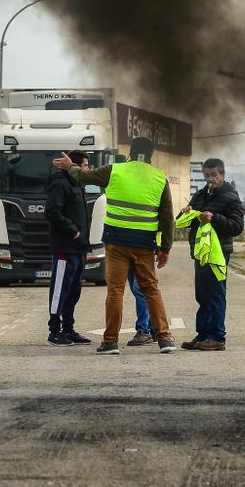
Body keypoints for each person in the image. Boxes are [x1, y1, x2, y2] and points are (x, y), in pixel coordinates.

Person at [53, 136, 177, 355]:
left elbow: (84, 175)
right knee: (151, 290)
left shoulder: (115, 170)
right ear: (150, 156)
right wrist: (165, 248)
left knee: (115, 291)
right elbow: (167, 218)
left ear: (130, 153)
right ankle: (165, 339)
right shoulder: (159, 178)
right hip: (145, 243)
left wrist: (69, 165)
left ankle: (110, 342)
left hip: (117, 242)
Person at [179, 158, 245, 351]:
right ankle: (203, 335)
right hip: (201, 253)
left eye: (214, 175)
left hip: (218, 253)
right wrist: (187, 213)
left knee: (216, 294)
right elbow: (187, 221)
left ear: (222, 175)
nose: (210, 179)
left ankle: (217, 337)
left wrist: (214, 218)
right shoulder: (200, 196)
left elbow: (237, 227)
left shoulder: (230, 196)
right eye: (207, 175)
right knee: (202, 295)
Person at [44, 150, 92, 346]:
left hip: (78, 248)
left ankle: (68, 329)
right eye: (86, 165)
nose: (88, 169)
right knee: (60, 290)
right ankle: (54, 331)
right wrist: (73, 231)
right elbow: (52, 212)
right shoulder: (60, 183)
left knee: (73, 291)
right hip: (65, 246)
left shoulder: (77, 185)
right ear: (75, 165)